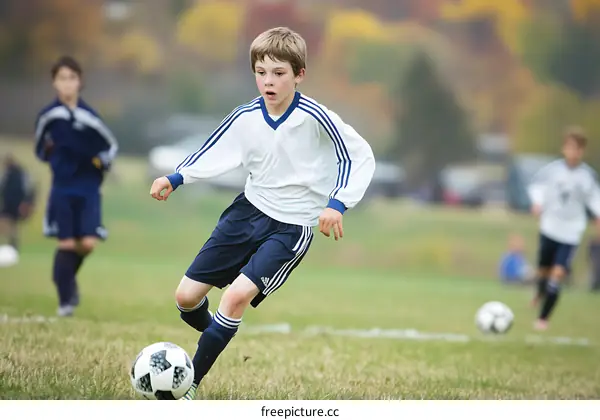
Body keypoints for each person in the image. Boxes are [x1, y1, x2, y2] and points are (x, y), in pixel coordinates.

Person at [149, 27, 376, 400]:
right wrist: (177, 177)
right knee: (186, 298)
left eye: (279, 73)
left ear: (299, 74)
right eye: (261, 72)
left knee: (235, 298)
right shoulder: (245, 116)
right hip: (247, 212)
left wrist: (337, 203)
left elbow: (359, 155)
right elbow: (215, 149)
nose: (268, 81)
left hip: (292, 226)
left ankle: (187, 387)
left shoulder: (316, 117)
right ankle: (218, 335)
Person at [34, 56, 119, 317]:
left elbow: (110, 146)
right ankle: (66, 301)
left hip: (89, 188)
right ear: (54, 83)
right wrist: (51, 155)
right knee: (67, 244)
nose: (67, 83)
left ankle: (63, 277)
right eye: (62, 78)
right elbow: (39, 149)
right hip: (62, 188)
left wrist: (101, 162)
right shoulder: (48, 117)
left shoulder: (91, 117)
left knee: (88, 244)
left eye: (72, 77)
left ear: (80, 81)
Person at [527, 127, 600, 330]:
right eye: (570, 147)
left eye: (577, 149)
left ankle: (543, 318)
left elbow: (595, 199)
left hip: (571, 231)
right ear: (564, 149)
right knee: (543, 270)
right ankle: (540, 292)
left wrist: (598, 217)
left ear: (582, 151)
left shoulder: (588, 176)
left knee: (558, 273)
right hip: (549, 226)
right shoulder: (552, 170)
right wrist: (537, 203)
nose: (573, 152)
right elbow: (536, 187)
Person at [0, 154, 35, 252]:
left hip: (17, 204)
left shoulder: (20, 174)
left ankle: (12, 244)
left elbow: (28, 189)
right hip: (8, 203)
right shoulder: (8, 174)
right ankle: (10, 243)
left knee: (13, 225)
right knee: (10, 224)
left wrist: (27, 203)